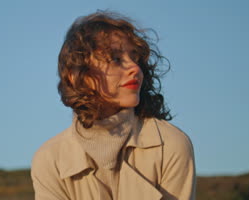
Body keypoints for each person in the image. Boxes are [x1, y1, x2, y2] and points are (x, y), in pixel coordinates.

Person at [31, 11, 196, 200]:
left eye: (134, 58)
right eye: (116, 59)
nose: (135, 68)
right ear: (76, 76)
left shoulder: (170, 144)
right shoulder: (50, 159)